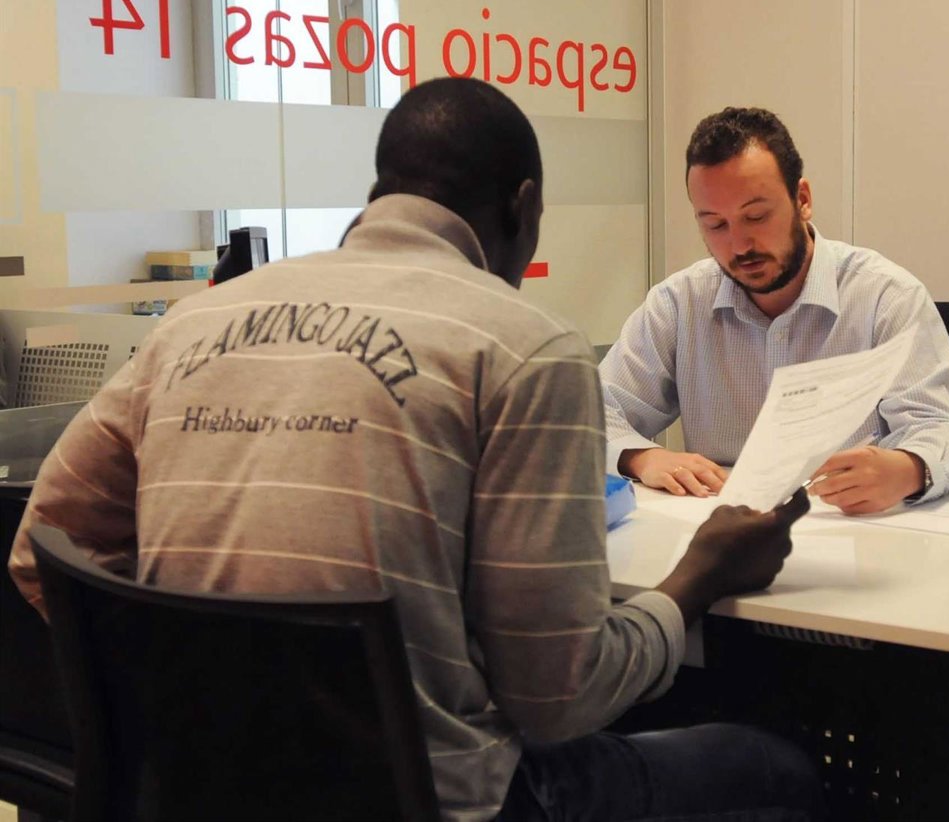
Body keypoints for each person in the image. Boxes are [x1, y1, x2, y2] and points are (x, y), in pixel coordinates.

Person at [8, 79, 825, 822]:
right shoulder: (526, 348)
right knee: (774, 768)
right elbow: (557, 699)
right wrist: (698, 577)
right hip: (438, 803)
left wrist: (199, 701)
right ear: (524, 207)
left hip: (196, 790)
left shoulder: (193, 323)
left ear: (380, 193)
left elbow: (43, 546)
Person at [601, 106, 949, 515]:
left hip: (852, 528)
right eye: (715, 225)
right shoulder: (679, 303)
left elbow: (940, 431)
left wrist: (908, 468)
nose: (740, 245)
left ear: (802, 200)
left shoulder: (886, 296)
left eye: (756, 216)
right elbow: (589, 416)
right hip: (720, 528)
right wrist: (641, 457)